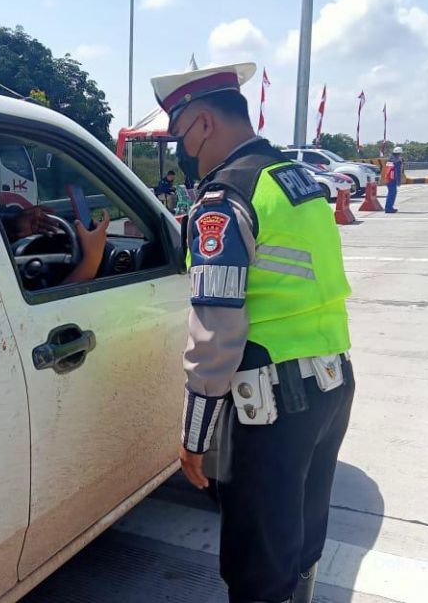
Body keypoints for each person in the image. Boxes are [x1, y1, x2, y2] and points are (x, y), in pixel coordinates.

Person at [151, 62, 354, 603]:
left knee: (256, 563)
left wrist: (195, 437)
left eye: (179, 139)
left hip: (271, 403)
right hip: (331, 383)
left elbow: (216, 333)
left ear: (202, 123)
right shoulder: (296, 178)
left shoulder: (222, 199)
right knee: (301, 533)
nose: (183, 154)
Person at [385, 146, 403, 213]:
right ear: (399, 153)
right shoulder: (397, 161)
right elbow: (397, 172)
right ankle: (388, 208)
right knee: (392, 194)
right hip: (392, 179)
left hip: (388, 178)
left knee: (391, 193)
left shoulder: (390, 159)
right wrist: (399, 181)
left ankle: (389, 207)